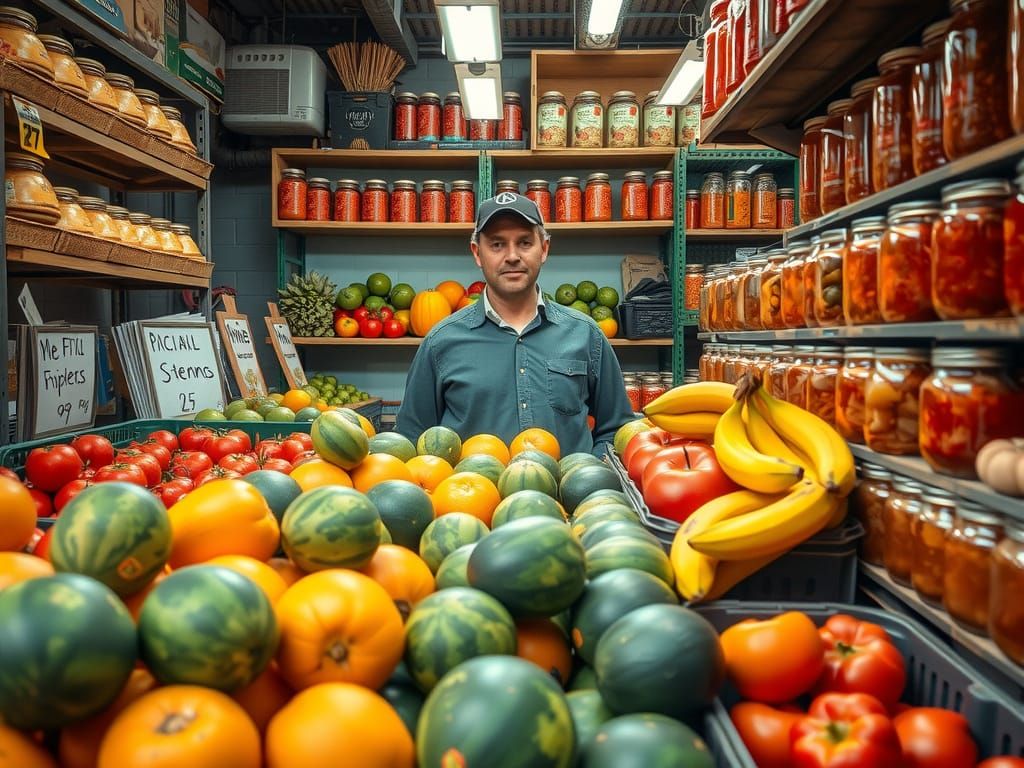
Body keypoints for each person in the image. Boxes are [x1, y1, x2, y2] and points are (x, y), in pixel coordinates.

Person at [395, 191, 635, 456]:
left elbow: (616, 430)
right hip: (471, 496)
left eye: (524, 243)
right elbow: (411, 439)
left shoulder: (585, 334)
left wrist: (591, 475)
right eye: (497, 244)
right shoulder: (441, 342)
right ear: (477, 253)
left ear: (544, 249)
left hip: (567, 497)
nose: (512, 256)